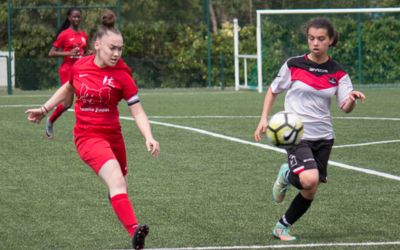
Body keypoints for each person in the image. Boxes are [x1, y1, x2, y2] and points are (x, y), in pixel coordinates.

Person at [26, 9, 159, 249]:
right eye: (112, 48)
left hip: (114, 136)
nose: (117, 53)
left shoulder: (123, 75)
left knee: (120, 189)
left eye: (120, 48)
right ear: (97, 45)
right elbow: (68, 88)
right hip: (88, 137)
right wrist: (44, 109)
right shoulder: (80, 66)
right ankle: (135, 232)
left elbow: (137, 110)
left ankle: (117, 198)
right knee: (117, 182)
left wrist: (149, 136)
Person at [254, 17, 366, 241]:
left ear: (331, 40)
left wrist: (352, 98)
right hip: (296, 133)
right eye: (311, 38)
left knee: (310, 189)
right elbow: (273, 89)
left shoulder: (338, 73)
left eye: (321, 39)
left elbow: (345, 107)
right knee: (310, 179)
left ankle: (281, 226)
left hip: (324, 136)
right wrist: (264, 118)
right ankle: (286, 173)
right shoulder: (294, 64)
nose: (315, 43)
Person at [46, 7, 89, 138]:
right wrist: (68, 53)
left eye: (78, 16)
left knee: (84, 98)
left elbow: (84, 53)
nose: (76, 19)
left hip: (81, 71)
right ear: (69, 18)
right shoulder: (64, 34)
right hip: (67, 70)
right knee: (67, 103)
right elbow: (51, 53)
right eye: (74, 17)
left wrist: (89, 54)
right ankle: (50, 120)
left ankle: (84, 129)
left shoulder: (84, 35)